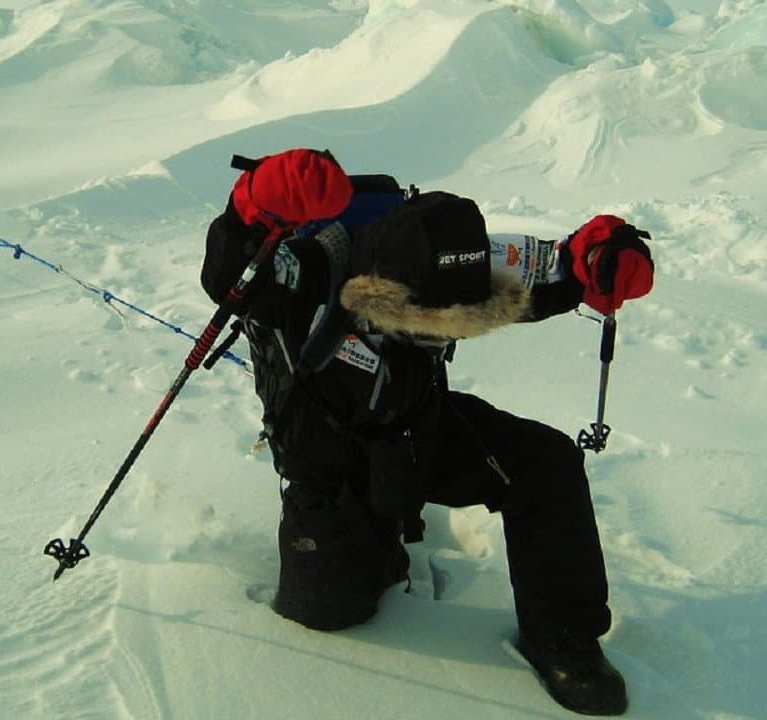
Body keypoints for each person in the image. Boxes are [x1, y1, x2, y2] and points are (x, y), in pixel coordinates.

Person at [199, 148, 654, 716]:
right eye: (420, 330)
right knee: (327, 612)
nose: (434, 341)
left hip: (419, 430)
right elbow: (227, 276)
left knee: (546, 462)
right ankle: (375, 546)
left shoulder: (456, 262)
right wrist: (250, 208)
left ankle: (565, 638)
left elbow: (558, 266)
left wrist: (598, 255)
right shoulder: (304, 276)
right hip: (329, 464)